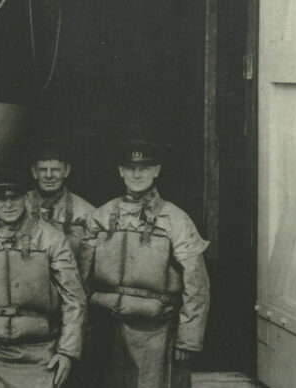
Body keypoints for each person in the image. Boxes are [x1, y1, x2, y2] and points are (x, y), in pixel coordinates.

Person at [82, 139, 210, 388]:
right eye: (130, 168)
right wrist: (82, 327)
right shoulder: (101, 216)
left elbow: (197, 284)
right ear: (120, 171)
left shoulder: (176, 220)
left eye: (144, 168)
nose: (137, 174)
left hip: (155, 333)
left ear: (157, 171)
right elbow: (81, 277)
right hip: (107, 329)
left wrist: (189, 338)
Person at [0, 170, 85, 388]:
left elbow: (74, 298)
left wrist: (67, 351)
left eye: (15, 198)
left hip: (41, 355)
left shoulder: (50, 238)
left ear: (26, 199)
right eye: (2, 199)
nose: (8, 205)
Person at [24, 138, 96, 282]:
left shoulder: (87, 212)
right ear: (34, 172)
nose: (49, 175)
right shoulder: (20, 206)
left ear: (66, 171)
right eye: (43, 170)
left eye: (55, 169)